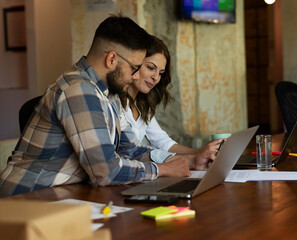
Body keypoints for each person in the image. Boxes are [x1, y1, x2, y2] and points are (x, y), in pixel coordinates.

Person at [0, 15, 213, 197]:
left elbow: (130, 149)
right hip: (28, 197)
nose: (136, 75)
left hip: (64, 193)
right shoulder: (79, 90)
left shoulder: (107, 92)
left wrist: (186, 161)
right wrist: (161, 170)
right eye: (135, 67)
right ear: (112, 59)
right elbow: (105, 170)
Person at [118, 35, 223, 156]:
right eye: (151, 68)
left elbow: (163, 143)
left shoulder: (142, 105)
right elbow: (133, 153)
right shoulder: (114, 103)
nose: (156, 77)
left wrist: (201, 153)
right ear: (135, 63)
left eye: (161, 73)